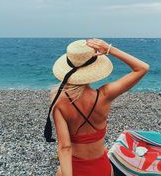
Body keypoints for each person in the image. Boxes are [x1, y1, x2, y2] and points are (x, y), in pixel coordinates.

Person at [44, 38, 150, 176]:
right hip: (101, 167)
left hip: (74, 169)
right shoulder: (105, 95)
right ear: (93, 69)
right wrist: (109, 49)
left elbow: (65, 147)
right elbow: (142, 68)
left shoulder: (59, 102)